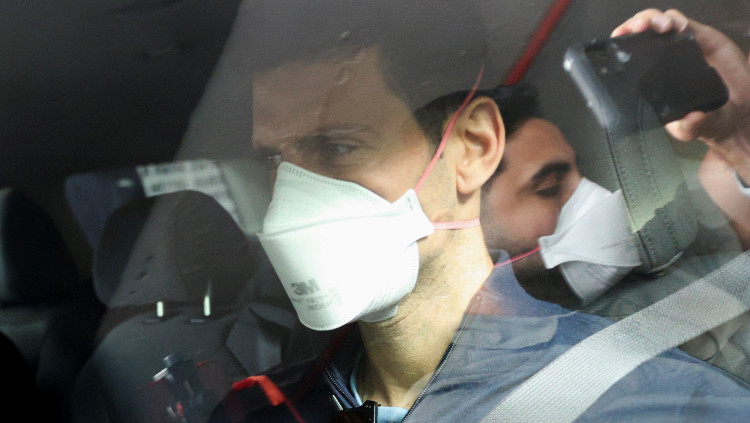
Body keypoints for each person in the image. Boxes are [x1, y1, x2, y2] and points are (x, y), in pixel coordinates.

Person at [210, 4, 750, 422]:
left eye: (339, 147)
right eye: (275, 161)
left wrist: (740, 138)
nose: (291, 198)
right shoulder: (260, 408)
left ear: (473, 148)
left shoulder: (642, 399)